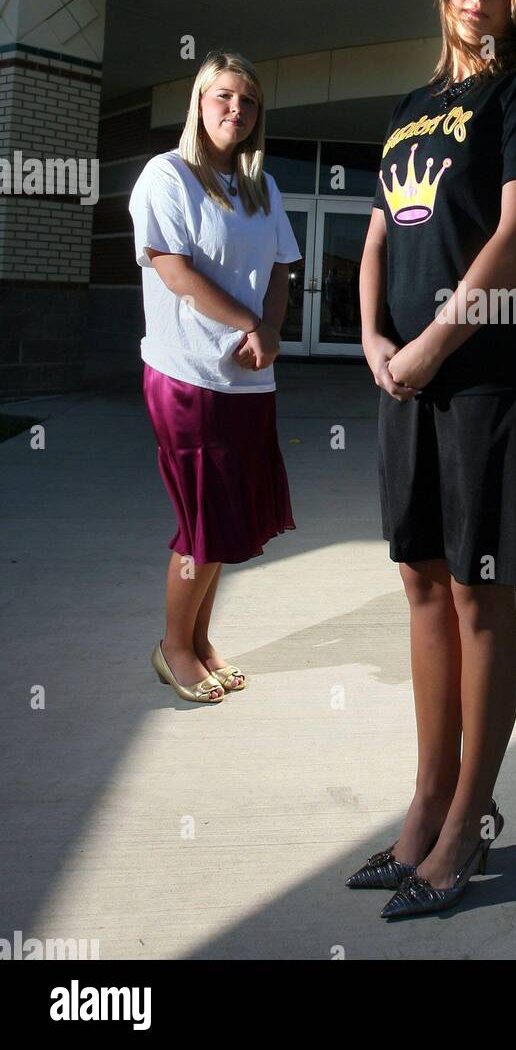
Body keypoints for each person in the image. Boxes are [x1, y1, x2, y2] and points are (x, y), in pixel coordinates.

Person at [350, 0, 516, 918]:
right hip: (405, 379)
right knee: (421, 579)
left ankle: (467, 822)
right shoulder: (411, 110)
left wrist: (434, 345)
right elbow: (377, 235)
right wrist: (372, 339)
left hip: (485, 377)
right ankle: (427, 803)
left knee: (479, 591)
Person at [128, 49, 301, 704]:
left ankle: (200, 641)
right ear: (199, 103)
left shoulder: (262, 187)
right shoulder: (167, 175)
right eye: (224, 95)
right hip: (187, 375)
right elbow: (174, 270)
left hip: (250, 381)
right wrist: (249, 324)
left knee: (226, 519)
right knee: (203, 518)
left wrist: (271, 330)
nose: (237, 108)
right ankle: (174, 647)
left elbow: (282, 266)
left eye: (249, 100)